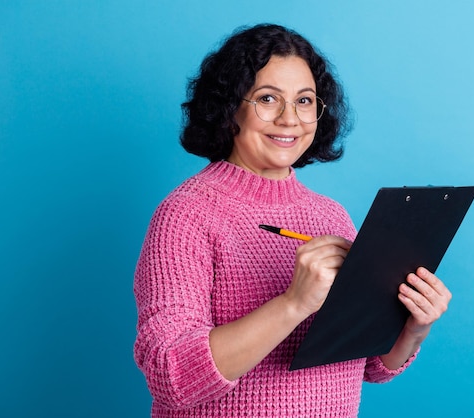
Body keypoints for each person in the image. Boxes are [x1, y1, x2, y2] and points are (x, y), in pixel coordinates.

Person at [133, 23, 452, 417]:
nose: (289, 119)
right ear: (230, 107)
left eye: (304, 101)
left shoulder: (331, 215)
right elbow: (170, 376)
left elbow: (369, 364)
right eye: (268, 98)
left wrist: (414, 328)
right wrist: (293, 303)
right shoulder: (185, 215)